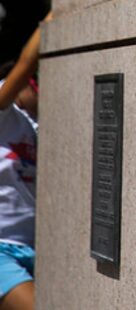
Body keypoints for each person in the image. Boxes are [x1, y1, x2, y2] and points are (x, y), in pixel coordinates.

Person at [0, 16, 47, 310]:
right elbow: (25, 62)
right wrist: (50, 20)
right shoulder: (5, 114)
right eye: (35, 84)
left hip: (38, 247)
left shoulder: (37, 125)